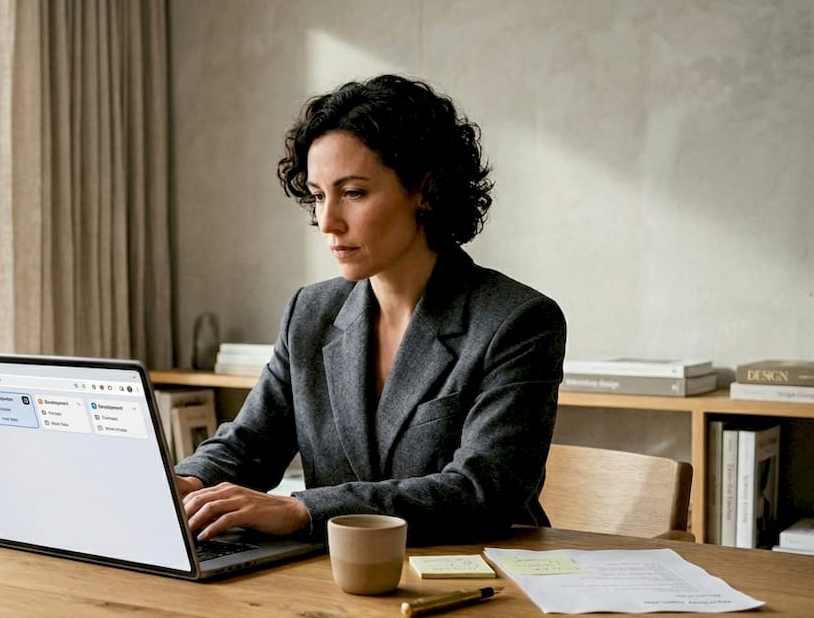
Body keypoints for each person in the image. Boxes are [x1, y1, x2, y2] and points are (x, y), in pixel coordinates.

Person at [175, 74, 566, 545]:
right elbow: (250, 443)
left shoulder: (518, 321)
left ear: (424, 187)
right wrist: (189, 484)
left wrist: (302, 510)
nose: (327, 221)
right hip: (338, 581)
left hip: (476, 580)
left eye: (354, 193)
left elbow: (483, 491)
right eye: (319, 196)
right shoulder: (310, 312)